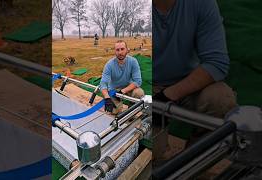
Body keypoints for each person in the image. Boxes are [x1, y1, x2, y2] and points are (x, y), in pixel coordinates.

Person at [152, 0, 238, 160]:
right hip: (151, 84)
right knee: (153, 157)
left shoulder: (202, 3)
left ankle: (195, 158)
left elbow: (216, 62)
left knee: (221, 99)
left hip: (187, 83)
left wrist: (167, 95)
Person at [100, 40, 145, 114]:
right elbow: (103, 83)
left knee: (139, 93)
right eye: (117, 50)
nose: (120, 52)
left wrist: (123, 91)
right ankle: (117, 107)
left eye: (122, 49)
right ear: (115, 51)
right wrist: (107, 97)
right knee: (115, 111)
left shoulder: (133, 61)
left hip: (128, 87)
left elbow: (138, 81)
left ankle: (131, 111)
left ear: (127, 49)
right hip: (114, 91)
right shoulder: (109, 65)